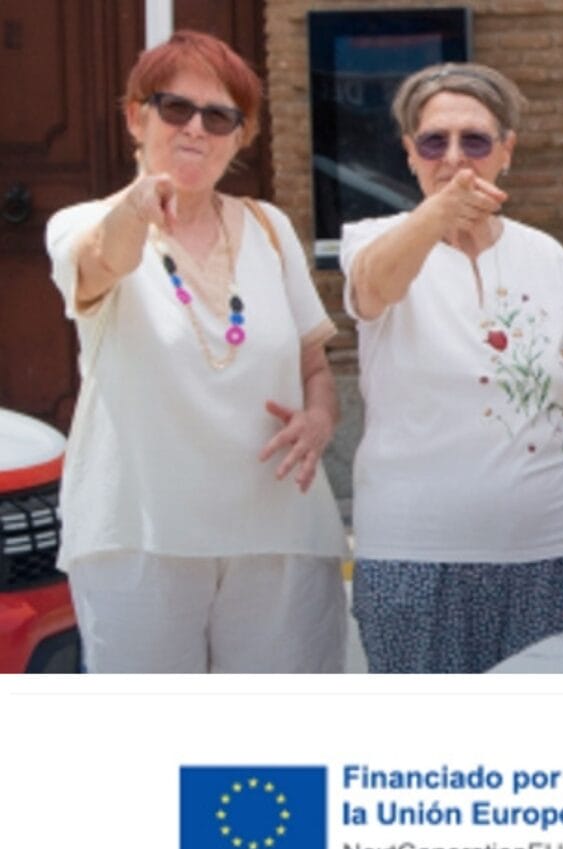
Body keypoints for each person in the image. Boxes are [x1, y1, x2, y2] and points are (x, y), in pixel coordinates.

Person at [43, 31, 347, 672]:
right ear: (135, 115)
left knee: (274, 756)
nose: (195, 130)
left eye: (219, 116)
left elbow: (314, 367)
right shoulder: (83, 222)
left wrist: (319, 420)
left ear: (242, 135)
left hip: (277, 529)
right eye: (174, 107)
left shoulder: (271, 228)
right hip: (140, 535)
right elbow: (103, 262)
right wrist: (135, 207)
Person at [341, 63, 563, 672]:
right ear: (409, 155)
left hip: (549, 558)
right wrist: (437, 215)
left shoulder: (548, 260)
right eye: (433, 142)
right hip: (411, 562)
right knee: (427, 760)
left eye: (474, 141)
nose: (454, 158)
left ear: (506, 152)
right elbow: (374, 287)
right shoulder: (372, 240)